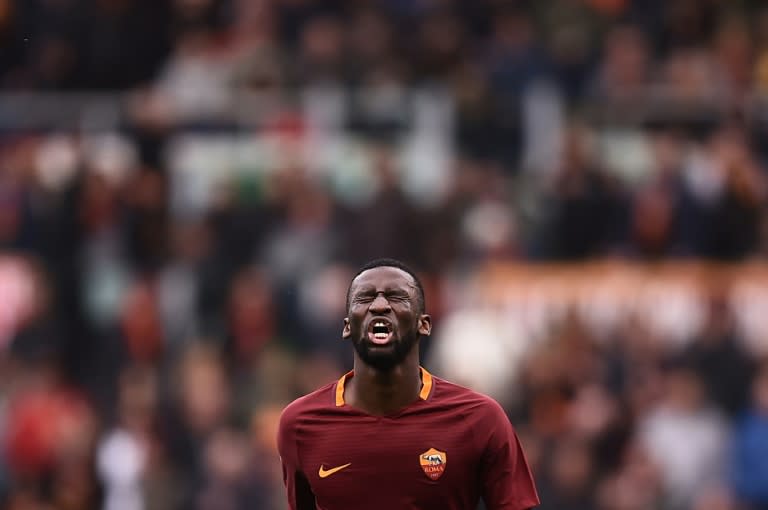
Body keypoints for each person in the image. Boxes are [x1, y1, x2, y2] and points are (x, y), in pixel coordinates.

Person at [277, 258, 540, 509]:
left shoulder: (480, 419)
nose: (379, 306)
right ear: (347, 326)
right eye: (365, 298)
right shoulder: (300, 424)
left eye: (396, 297)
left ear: (423, 325)